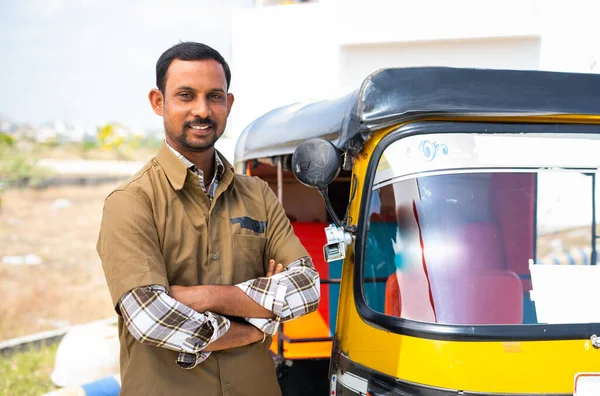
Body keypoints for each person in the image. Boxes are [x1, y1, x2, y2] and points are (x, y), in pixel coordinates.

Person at [96, 42, 320, 396]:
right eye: (185, 95)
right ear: (159, 102)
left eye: (214, 96)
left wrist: (203, 296)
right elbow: (152, 318)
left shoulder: (258, 195)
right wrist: (254, 327)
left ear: (228, 104)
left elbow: (305, 289)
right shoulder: (131, 202)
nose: (202, 110)